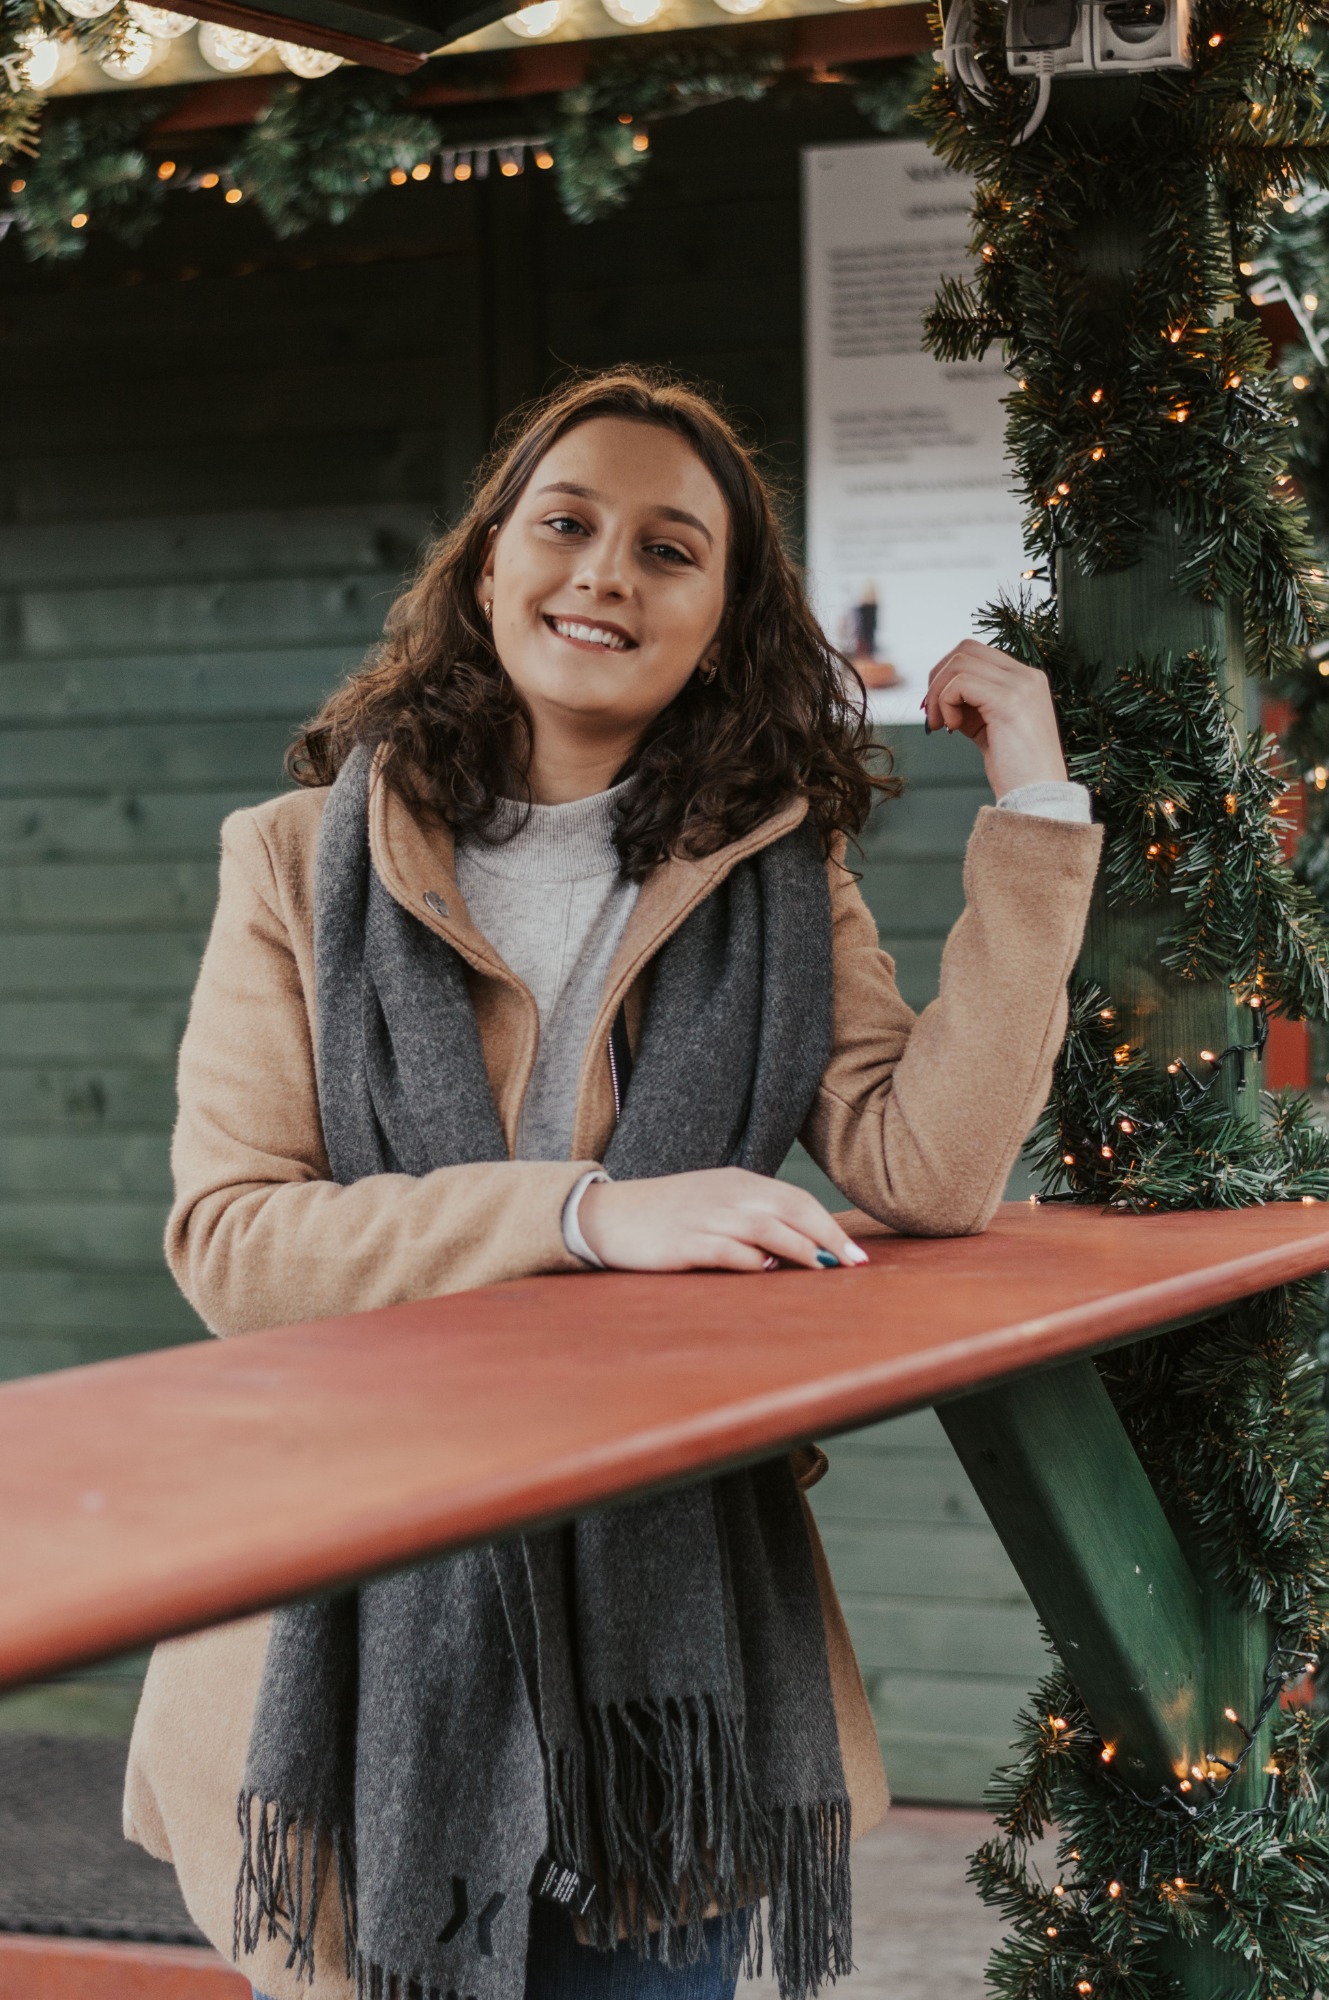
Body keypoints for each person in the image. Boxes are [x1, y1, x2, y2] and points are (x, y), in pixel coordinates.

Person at [122, 367, 1101, 2000]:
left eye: (667, 548)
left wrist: (1035, 809)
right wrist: (587, 1214)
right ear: (486, 564)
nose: (603, 575)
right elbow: (233, 1241)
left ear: (720, 619)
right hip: (355, 1602)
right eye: (564, 524)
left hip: (668, 1663)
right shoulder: (294, 862)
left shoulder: (778, 873)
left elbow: (926, 1170)